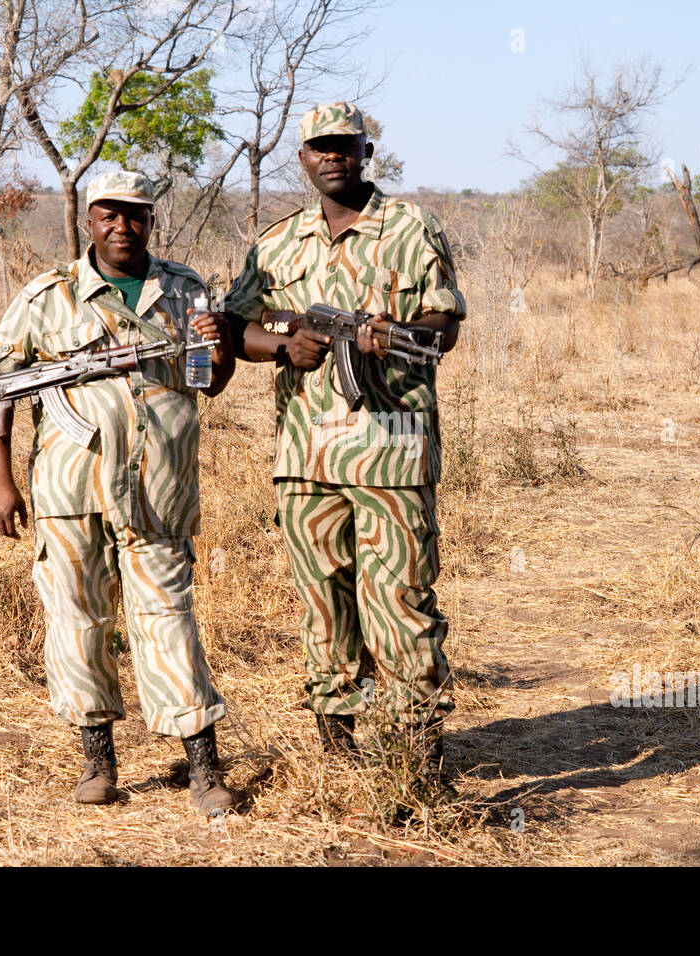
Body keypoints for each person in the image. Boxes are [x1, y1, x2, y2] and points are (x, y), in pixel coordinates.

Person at [0, 170, 237, 816]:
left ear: (153, 221)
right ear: (90, 221)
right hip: (69, 493)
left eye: (136, 215)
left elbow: (209, 383)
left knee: (169, 621)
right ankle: (99, 763)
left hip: (158, 489)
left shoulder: (184, 289)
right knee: (76, 622)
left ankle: (203, 767)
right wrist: (0, 479)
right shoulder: (48, 296)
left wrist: (219, 347)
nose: (123, 227)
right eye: (109, 216)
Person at [221, 102, 465, 773]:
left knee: (400, 599)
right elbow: (235, 328)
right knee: (323, 599)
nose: (334, 157)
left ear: (365, 151)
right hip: (306, 456)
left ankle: (417, 751)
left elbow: (445, 327)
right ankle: (337, 744)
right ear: (303, 158)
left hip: (392, 451)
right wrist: (282, 347)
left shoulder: (410, 228)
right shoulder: (277, 243)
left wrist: (393, 339)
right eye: (320, 147)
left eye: (346, 146)